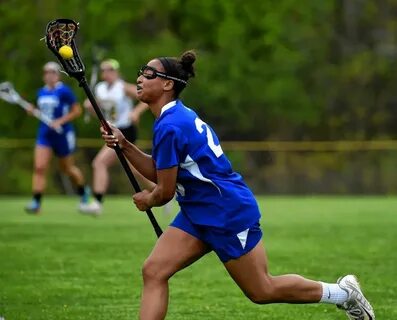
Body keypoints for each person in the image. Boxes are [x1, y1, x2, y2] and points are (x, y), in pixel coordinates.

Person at [100, 51, 375, 320]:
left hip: (225, 212)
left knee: (262, 290)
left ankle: (343, 294)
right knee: (154, 271)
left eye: (148, 74)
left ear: (167, 84)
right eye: (140, 73)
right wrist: (124, 145)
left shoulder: (170, 126)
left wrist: (148, 200)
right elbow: (161, 171)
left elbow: (164, 191)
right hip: (199, 211)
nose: (139, 79)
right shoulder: (172, 118)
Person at [80, 59, 151, 215]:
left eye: (111, 70)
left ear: (116, 72)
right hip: (112, 130)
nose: (107, 73)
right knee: (135, 169)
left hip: (125, 130)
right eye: (104, 70)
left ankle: (97, 203)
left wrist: (136, 112)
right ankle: (161, 190)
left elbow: (147, 97)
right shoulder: (100, 89)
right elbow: (101, 113)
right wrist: (90, 108)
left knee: (99, 163)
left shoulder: (123, 87)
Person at [25, 62, 90, 213]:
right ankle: (36, 202)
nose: (50, 75)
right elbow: (40, 111)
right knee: (40, 167)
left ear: (58, 75)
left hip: (63, 134)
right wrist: (32, 110)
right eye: (47, 72)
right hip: (45, 135)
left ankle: (82, 192)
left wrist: (60, 121)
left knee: (67, 169)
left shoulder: (64, 91)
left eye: (53, 72)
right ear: (44, 75)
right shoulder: (41, 92)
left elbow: (77, 110)